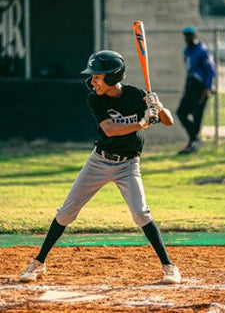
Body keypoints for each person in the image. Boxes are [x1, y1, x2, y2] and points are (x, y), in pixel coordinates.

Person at [18, 50, 181, 284]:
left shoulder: (136, 95)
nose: (92, 80)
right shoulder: (95, 98)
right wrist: (143, 121)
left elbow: (168, 121)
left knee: (140, 213)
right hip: (99, 162)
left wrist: (157, 106)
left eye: (97, 76)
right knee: (66, 213)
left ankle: (169, 266)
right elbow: (110, 129)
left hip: (128, 165)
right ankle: (38, 263)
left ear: (113, 78)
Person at [176, 26, 216, 154]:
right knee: (181, 112)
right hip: (190, 84)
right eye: (186, 36)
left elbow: (210, 69)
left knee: (196, 114)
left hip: (200, 87)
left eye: (190, 36)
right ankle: (195, 139)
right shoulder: (186, 50)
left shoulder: (202, 50)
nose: (188, 38)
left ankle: (193, 142)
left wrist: (208, 88)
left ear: (195, 36)